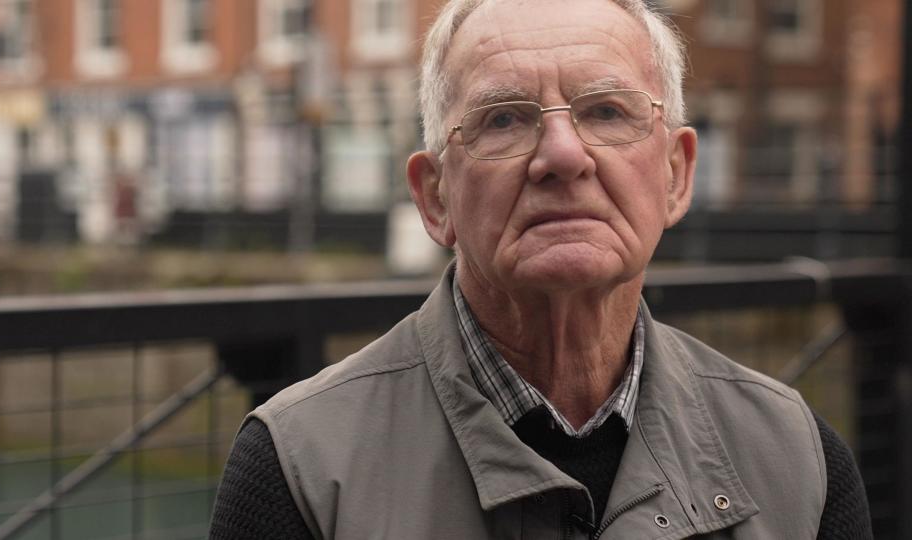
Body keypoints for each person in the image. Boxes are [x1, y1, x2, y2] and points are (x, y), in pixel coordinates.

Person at [210, 0, 873, 538]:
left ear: (675, 175)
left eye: (607, 111)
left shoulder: (799, 460)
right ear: (435, 197)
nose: (562, 155)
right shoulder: (298, 468)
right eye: (504, 119)